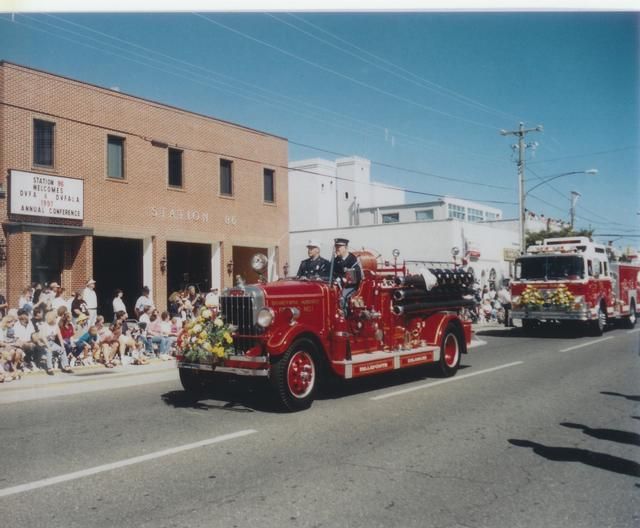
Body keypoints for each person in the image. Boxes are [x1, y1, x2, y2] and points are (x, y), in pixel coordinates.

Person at [332, 238, 362, 313]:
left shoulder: (352, 259)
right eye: (336, 247)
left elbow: (354, 278)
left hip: (351, 286)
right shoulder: (335, 260)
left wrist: (341, 279)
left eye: (339, 247)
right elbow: (332, 274)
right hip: (337, 285)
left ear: (346, 248)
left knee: (342, 297)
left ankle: (343, 317)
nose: (337, 249)